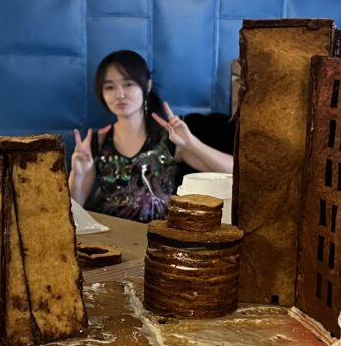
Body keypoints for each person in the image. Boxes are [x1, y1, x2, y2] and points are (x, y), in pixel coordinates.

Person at [69, 50, 233, 222]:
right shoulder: (97, 142)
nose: (119, 94)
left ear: (147, 86)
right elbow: (73, 208)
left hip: (158, 239)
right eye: (109, 87)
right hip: (110, 237)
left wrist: (192, 143)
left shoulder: (169, 138)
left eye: (128, 84)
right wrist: (77, 174)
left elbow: (232, 173)